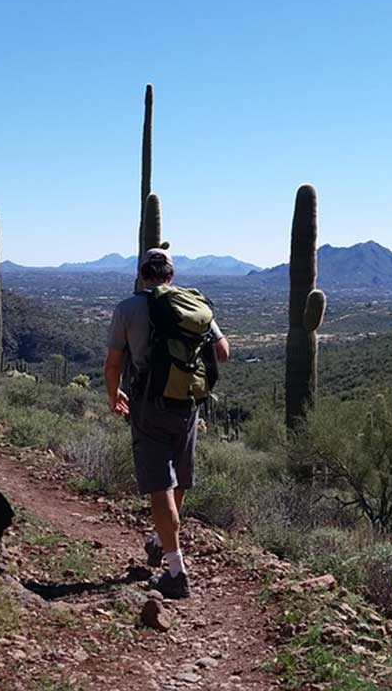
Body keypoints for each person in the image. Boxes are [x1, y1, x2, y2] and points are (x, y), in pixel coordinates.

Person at [104, 247, 230, 599]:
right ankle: (161, 538)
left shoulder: (127, 308)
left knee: (160, 484)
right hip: (187, 404)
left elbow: (113, 363)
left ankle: (176, 571)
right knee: (179, 476)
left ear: (142, 274)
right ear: (170, 276)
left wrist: (114, 395)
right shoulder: (190, 305)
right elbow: (223, 352)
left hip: (148, 404)